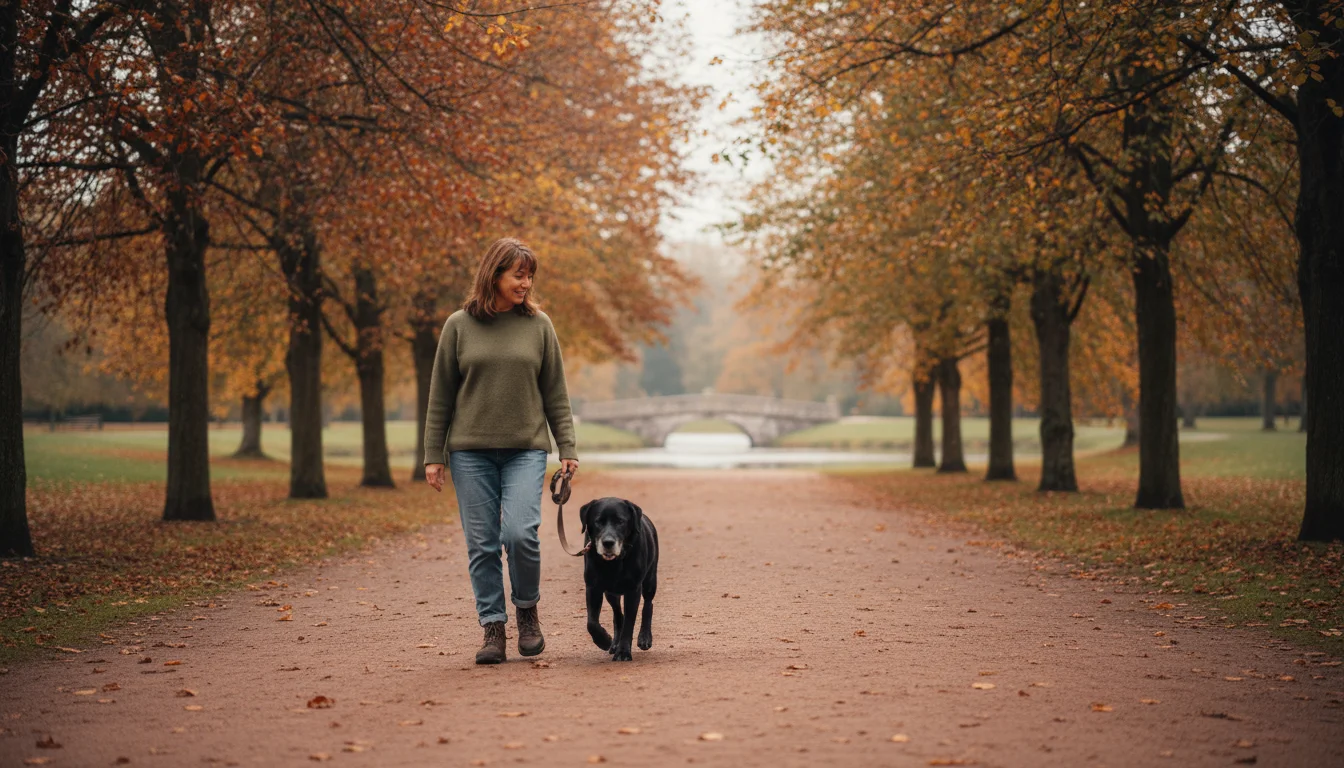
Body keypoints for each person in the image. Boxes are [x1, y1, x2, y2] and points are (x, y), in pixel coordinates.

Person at [423, 237, 579, 664]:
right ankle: (493, 628)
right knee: (483, 545)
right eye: (518, 274)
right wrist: (433, 454)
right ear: (493, 275)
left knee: (520, 534)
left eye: (530, 275)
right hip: (470, 453)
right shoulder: (458, 325)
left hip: (525, 449)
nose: (526, 283)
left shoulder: (539, 326)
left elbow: (556, 393)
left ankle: (527, 612)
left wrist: (567, 446)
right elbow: (440, 396)